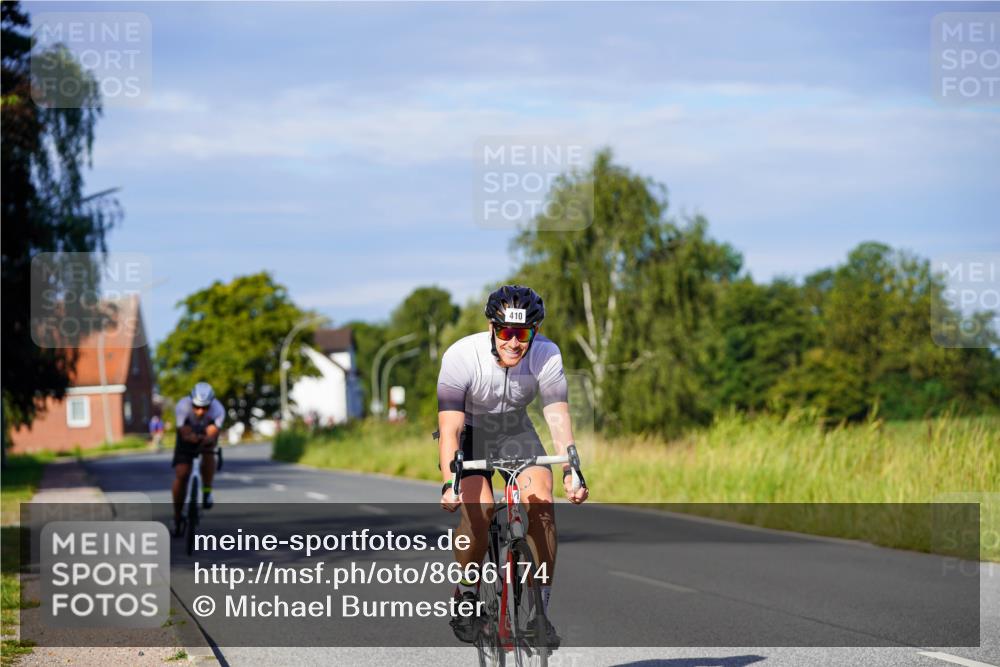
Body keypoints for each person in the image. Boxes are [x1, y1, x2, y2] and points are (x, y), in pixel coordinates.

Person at [436, 285, 589, 647]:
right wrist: (449, 481)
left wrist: (571, 468)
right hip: (471, 429)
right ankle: (468, 592)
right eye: (506, 332)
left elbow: (556, 417)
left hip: (514, 428)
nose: (514, 343)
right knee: (481, 507)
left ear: (534, 332)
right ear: (492, 328)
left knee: (542, 504)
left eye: (523, 334)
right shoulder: (460, 356)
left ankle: (539, 613)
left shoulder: (547, 354)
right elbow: (450, 428)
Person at [171, 381, 225, 537]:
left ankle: (207, 490)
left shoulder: (218, 409)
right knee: (182, 473)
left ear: (211, 403)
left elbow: (213, 432)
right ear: (191, 401)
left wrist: (206, 438)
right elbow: (184, 432)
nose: (200, 411)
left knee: (209, 452)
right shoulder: (182, 406)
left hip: (206, 435)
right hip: (186, 436)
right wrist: (191, 437)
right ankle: (177, 515)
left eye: (205, 407)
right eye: (196, 406)